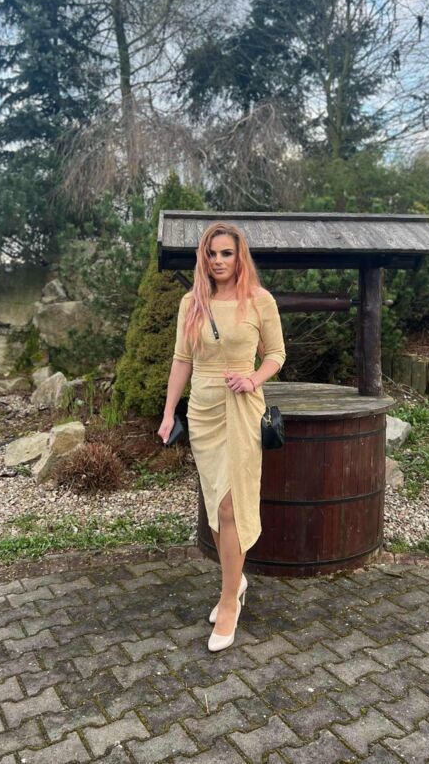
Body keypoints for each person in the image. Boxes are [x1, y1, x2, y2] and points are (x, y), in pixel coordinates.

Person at [158, 221, 286, 652]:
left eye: (226, 253)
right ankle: (236, 579)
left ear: (239, 255)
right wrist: (168, 412)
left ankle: (229, 599)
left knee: (232, 505)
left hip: (242, 408)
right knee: (216, 506)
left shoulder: (260, 300)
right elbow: (181, 360)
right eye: (211, 253)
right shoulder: (191, 303)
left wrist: (253, 379)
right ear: (203, 258)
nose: (218, 261)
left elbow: (276, 353)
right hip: (203, 411)